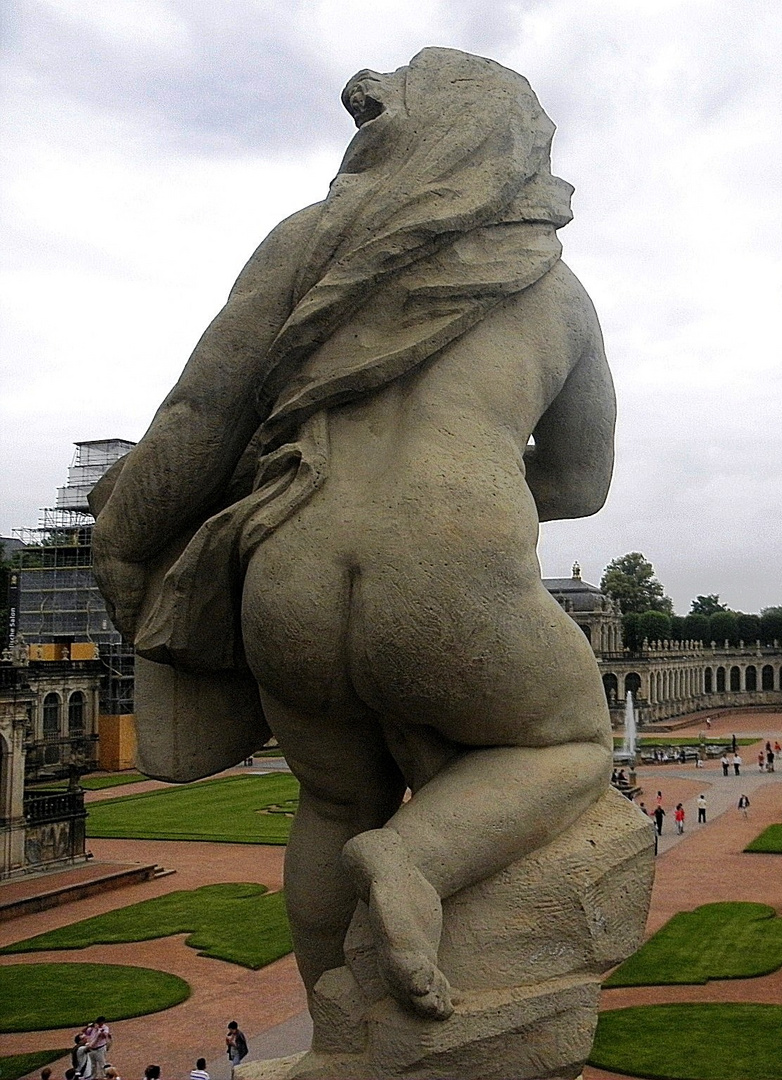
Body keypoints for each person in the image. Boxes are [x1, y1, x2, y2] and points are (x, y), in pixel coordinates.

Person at [88, 51, 617, 1027]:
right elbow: (581, 483)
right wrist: (467, 518)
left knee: (332, 804)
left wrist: (120, 546)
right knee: (572, 736)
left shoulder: (312, 239)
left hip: (284, 560)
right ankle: (417, 857)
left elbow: (197, 415)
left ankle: (339, 1029)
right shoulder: (557, 287)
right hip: (452, 558)